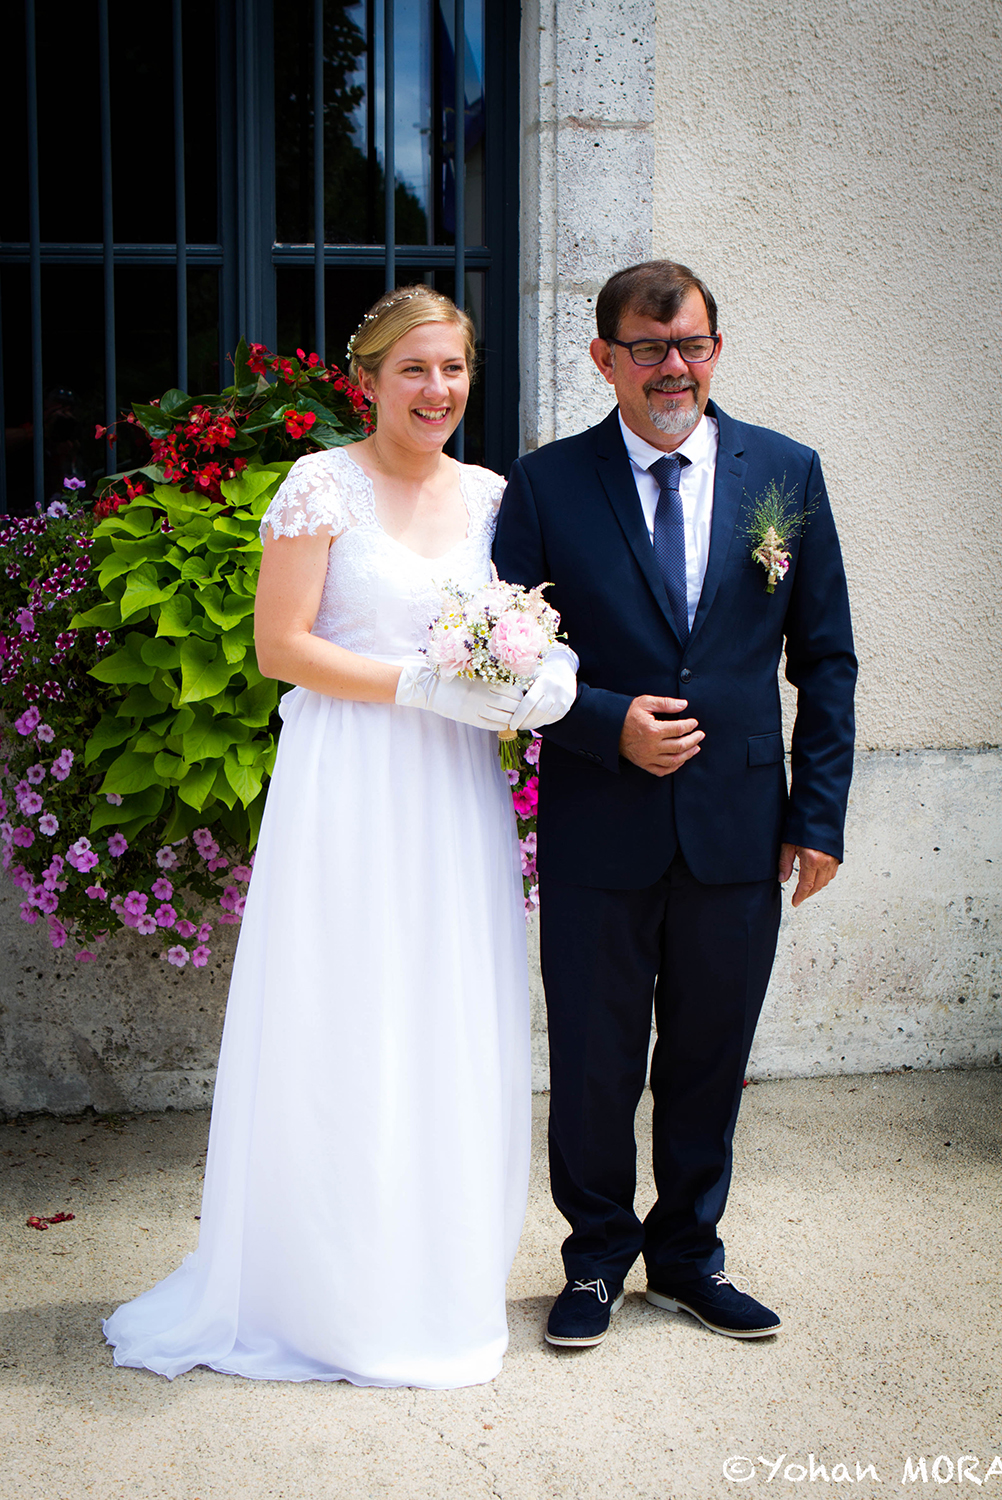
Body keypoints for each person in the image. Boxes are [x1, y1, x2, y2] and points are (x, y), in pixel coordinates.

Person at [103, 286, 574, 1388]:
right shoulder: (320, 486)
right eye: (413, 368)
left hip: (452, 790)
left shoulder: (493, 497)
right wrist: (416, 684)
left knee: (442, 1011)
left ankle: (429, 1277)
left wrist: (538, 677)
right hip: (351, 782)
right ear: (368, 380)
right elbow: (281, 647)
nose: (437, 390)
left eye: (453, 368)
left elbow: (515, 627)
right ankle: (321, 1290)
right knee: (345, 1011)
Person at [493, 260, 857, 1348]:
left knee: (708, 1057)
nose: (673, 368)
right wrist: (606, 724)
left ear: (716, 349)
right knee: (594, 1062)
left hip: (740, 828)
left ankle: (690, 1259)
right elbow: (508, 659)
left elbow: (825, 658)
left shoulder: (784, 472)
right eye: (648, 348)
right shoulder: (546, 485)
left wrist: (818, 816)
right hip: (599, 823)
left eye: (691, 344)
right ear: (604, 358)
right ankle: (597, 1260)